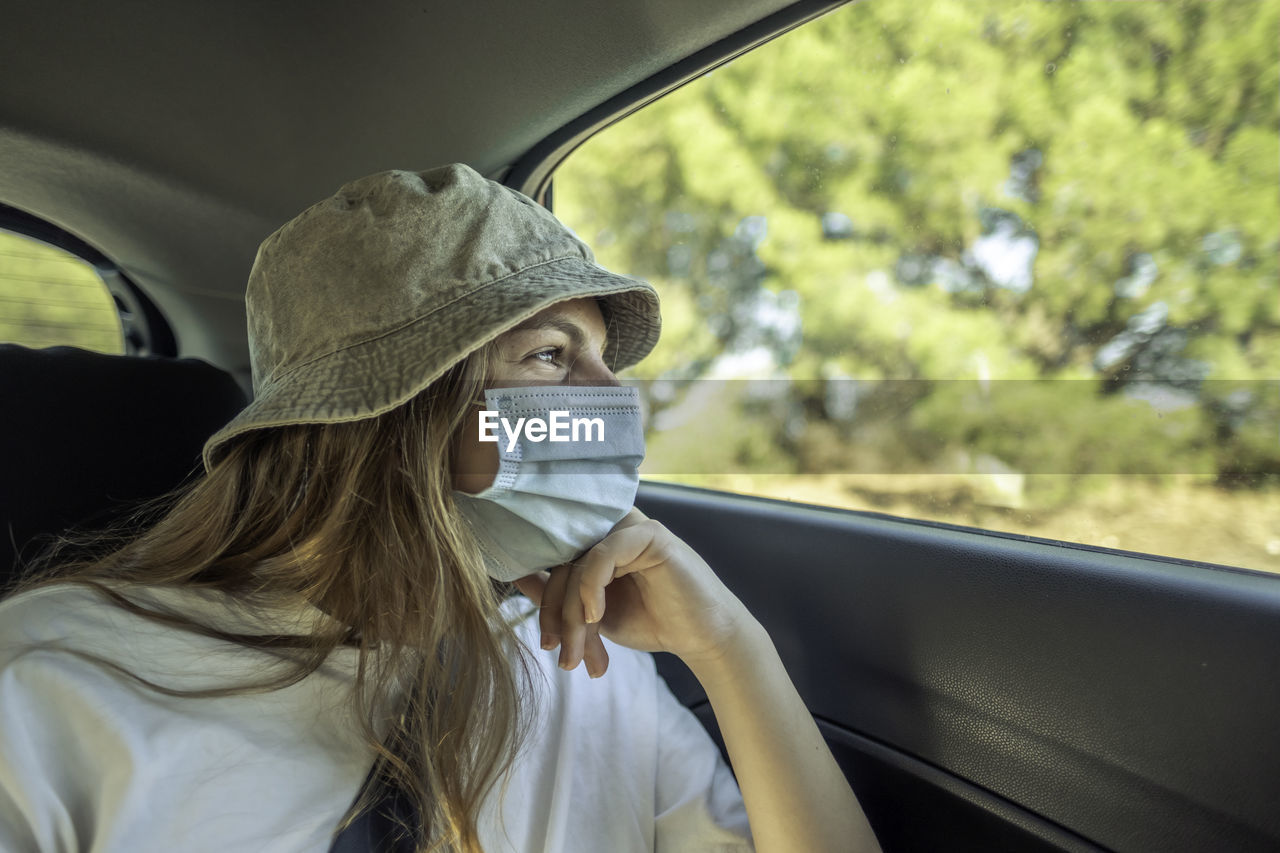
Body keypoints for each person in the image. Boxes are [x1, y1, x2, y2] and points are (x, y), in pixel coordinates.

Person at [0, 164, 880, 852]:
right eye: (549, 354)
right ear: (381, 410)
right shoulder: (55, 686)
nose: (615, 396)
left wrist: (728, 648)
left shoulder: (586, 667)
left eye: (606, 359)